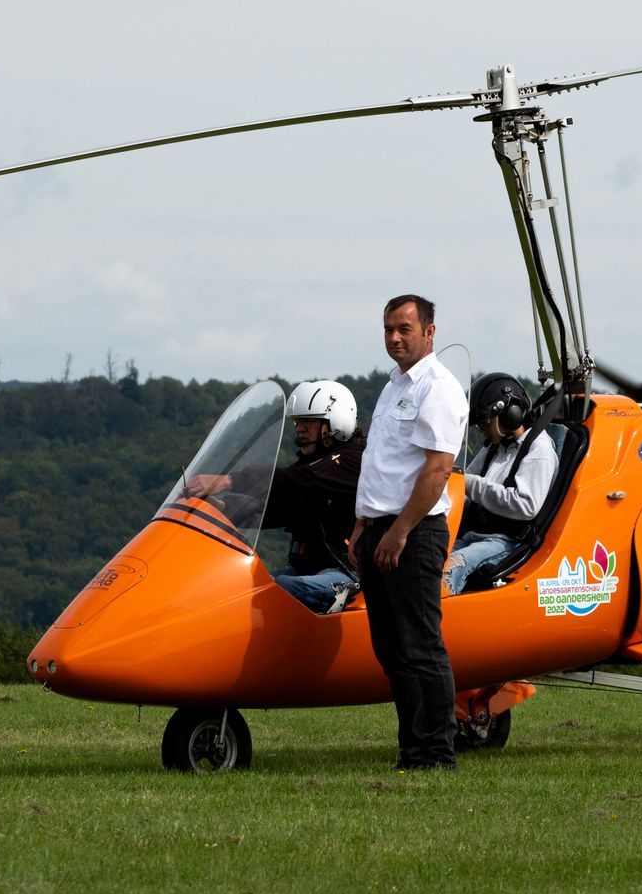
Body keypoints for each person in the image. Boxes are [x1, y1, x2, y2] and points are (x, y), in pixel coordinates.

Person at [349, 294, 468, 771]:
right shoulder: (392, 386)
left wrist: (399, 532)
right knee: (392, 649)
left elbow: (437, 470)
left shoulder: (438, 388)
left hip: (414, 532)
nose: (394, 338)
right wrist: (362, 525)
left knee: (420, 645)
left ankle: (437, 753)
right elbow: (381, 463)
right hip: (380, 528)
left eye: (404, 329)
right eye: (388, 329)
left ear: (429, 332)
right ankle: (412, 750)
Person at [187, 380, 363, 614]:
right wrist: (222, 508)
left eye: (308, 421)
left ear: (336, 422)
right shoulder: (311, 467)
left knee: (277, 589)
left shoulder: (352, 460)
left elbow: (291, 480)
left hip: (347, 573)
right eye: (297, 421)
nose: (300, 429)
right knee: (239, 589)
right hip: (306, 569)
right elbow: (275, 508)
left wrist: (228, 480)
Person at [443, 372, 557, 595]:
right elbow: (463, 483)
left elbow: (526, 505)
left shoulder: (539, 450)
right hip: (473, 535)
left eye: (485, 422)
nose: (481, 429)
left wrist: (470, 484)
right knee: (426, 561)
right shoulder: (495, 446)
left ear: (510, 415)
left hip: (505, 542)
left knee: (448, 569)